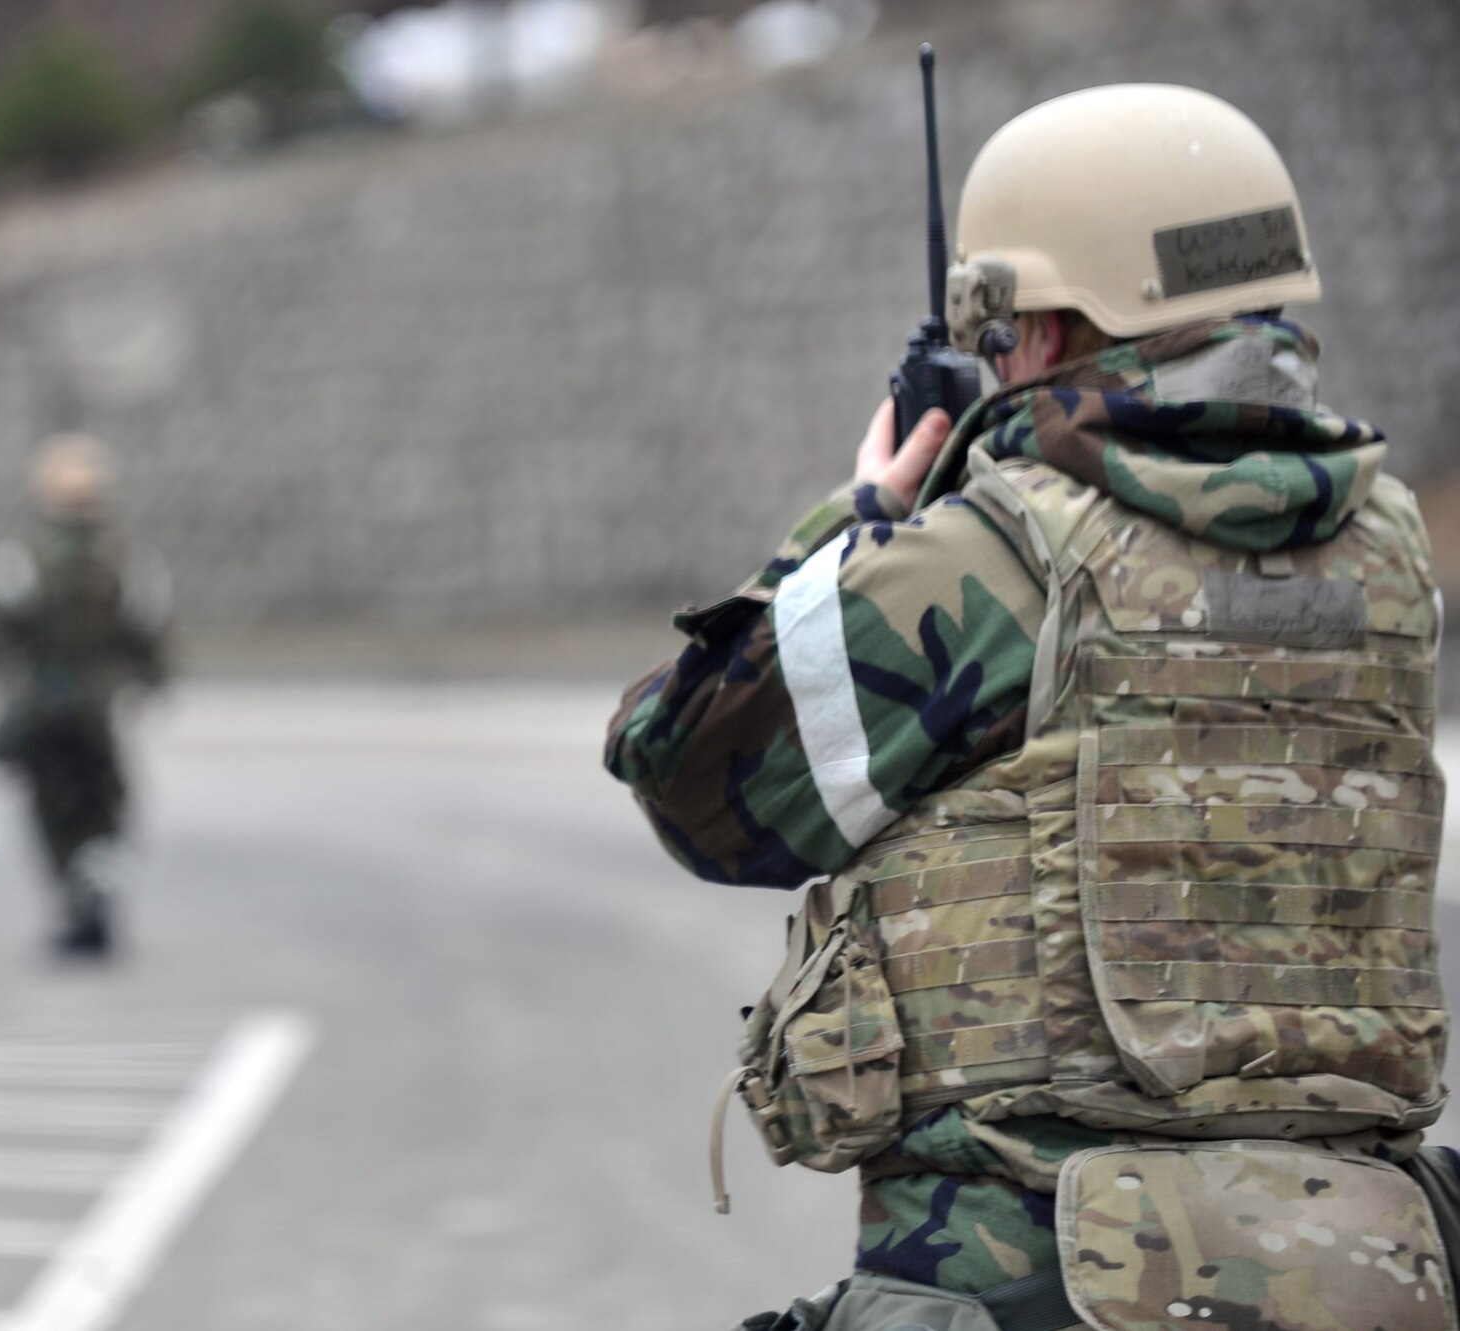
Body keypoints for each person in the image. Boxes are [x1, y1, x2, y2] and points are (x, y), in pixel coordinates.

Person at [606, 85, 1453, 1330]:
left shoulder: (995, 560)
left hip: (1035, 1273)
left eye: (1003, 331)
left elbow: (687, 779)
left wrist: (860, 524)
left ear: (1047, 327)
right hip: (1374, 1274)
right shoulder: (1392, 554)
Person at [0, 433, 167, 958]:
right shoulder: (125, 561)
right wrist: (150, 681)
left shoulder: (22, 560)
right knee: (103, 803)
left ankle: (78, 891)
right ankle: (93, 880)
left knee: (55, 809)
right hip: (96, 704)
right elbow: (147, 632)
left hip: (42, 703)